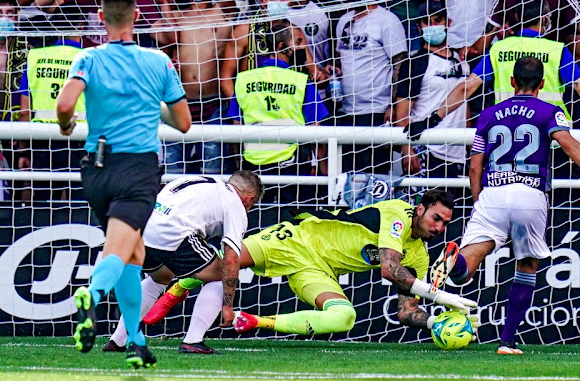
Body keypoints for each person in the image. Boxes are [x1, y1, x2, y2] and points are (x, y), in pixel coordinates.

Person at [429, 57, 580, 354]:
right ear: (542, 84)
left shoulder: (489, 114)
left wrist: (478, 200)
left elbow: (475, 165)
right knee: (526, 266)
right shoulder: (550, 112)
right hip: (530, 193)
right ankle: (507, 341)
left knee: (466, 268)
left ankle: (454, 260)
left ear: (511, 82)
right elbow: (568, 144)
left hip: (493, 192)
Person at [55, 0, 191, 368]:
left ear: (101, 18)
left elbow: (65, 103)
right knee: (117, 250)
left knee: (134, 253)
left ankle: (136, 343)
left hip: (96, 169)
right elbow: (183, 123)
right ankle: (91, 297)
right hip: (137, 168)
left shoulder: (89, 58)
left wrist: (66, 126)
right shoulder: (158, 61)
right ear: (136, 16)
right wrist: (154, 106)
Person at [146, 190, 478, 339]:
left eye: (445, 224)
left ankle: (255, 322)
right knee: (221, 267)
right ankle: (180, 285)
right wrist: (444, 297)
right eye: (436, 218)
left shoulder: (419, 255)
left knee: (344, 317)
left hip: (318, 272)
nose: (438, 227)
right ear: (420, 210)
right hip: (296, 239)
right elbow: (390, 269)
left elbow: (406, 311)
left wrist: (434, 322)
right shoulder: (398, 215)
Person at [103, 171, 263, 354]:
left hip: (142, 228)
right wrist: (227, 306)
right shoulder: (235, 205)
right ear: (248, 199)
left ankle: (117, 341)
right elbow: (231, 258)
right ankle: (193, 341)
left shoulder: (197, 180)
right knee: (221, 275)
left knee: (160, 277)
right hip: (173, 232)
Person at [406, 0, 580, 138]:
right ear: (544, 19)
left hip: (507, 132)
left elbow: (467, 88)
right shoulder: (556, 49)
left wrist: (432, 119)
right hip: (551, 132)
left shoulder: (498, 49)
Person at [228, 21, 329, 203]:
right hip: (293, 166)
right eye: (297, 43)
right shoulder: (301, 81)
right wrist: (326, 174)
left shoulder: (243, 80)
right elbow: (317, 135)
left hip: (252, 167)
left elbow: (236, 132)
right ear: (281, 46)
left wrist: (239, 167)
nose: (301, 49)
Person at [154, 0, 236, 175]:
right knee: (173, 167)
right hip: (180, 101)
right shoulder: (179, 16)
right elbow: (165, 38)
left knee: (212, 167)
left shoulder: (223, 12)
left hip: (214, 102)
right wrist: (164, 2)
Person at [334, 0, 408, 174]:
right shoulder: (343, 21)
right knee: (348, 176)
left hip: (377, 111)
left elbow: (399, 65)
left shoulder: (387, 21)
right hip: (347, 110)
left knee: (375, 177)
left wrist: (392, 105)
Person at [395, 0, 469, 178]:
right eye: (427, 22)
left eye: (438, 21)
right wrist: (407, 150)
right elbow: (402, 111)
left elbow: (465, 106)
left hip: (457, 152)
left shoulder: (462, 61)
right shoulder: (414, 63)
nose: (433, 26)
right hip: (425, 148)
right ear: (419, 27)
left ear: (448, 23)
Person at [18, 20, 86, 202]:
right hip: (79, 139)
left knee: (43, 201)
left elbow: (24, 111)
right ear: (82, 27)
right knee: (79, 201)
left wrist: (24, 151)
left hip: (42, 140)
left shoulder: (35, 57)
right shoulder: (89, 58)